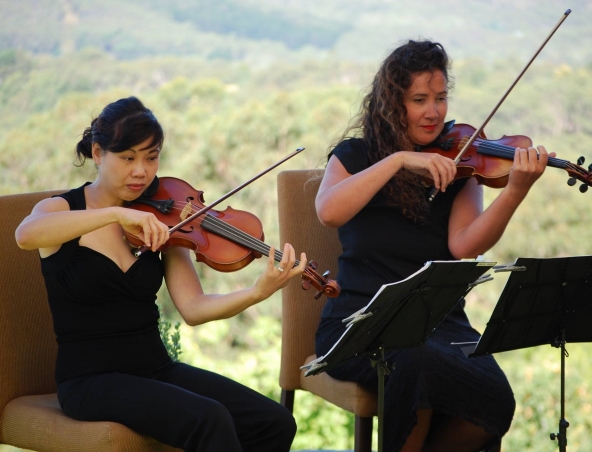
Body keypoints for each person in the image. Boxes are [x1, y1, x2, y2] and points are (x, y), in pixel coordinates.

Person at [15, 96, 306, 452]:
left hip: (155, 368)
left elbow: (194, 308)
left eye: (151, 158)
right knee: (207, 418)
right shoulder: (61, 210)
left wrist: (257, 292)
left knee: (273, 422)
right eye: (128, 158)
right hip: (89, 380)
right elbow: (25, 235)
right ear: (97, 153)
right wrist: (116, 215)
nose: (141, 171)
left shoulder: (165, 219)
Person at [314, 40, 554, 452]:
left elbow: (464, 246)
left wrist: (514, 190)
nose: (434, 112)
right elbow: (328, 212)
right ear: (393, 103)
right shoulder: (357, 154)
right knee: (415, 362)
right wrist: (398, 161)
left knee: (495, 398)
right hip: (362, 322)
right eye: (419, 99)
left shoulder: (462, 159)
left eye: (441, 98)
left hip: (441, 324)